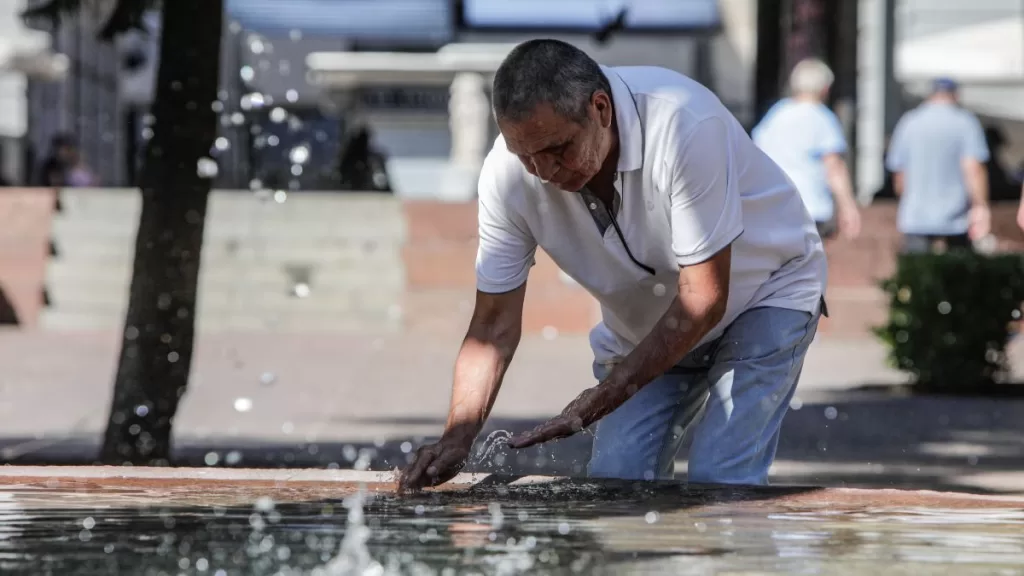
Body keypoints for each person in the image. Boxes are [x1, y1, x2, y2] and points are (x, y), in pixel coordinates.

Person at [398, 39, 828, 491]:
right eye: (527, 156)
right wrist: (457, 437)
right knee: (616, 486)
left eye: (558, 149)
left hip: (767, 290)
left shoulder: (684, 122)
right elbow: (492, 326)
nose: (545, 172)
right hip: (649, 329)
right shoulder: (505, 176)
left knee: (721, 480)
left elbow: (703, 299)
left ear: (600, 108)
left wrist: (601, 398)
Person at [752, 58, 861, 241]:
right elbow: (834, 168)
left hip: (774, 205)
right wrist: (848, 207)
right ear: (825, 88)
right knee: (808, 266)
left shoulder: (775, 114)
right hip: (809, 205)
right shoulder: (822, 118)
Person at [886, 78, 990, 253]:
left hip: (915, 214)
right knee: (958, 272)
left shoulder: (910, 122)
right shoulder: (965, 122)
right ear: (955, 95)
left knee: (916, 273)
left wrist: (907, 199)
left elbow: (899, 174)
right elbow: (973, 168)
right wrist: (980, 206)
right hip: (957, 216)